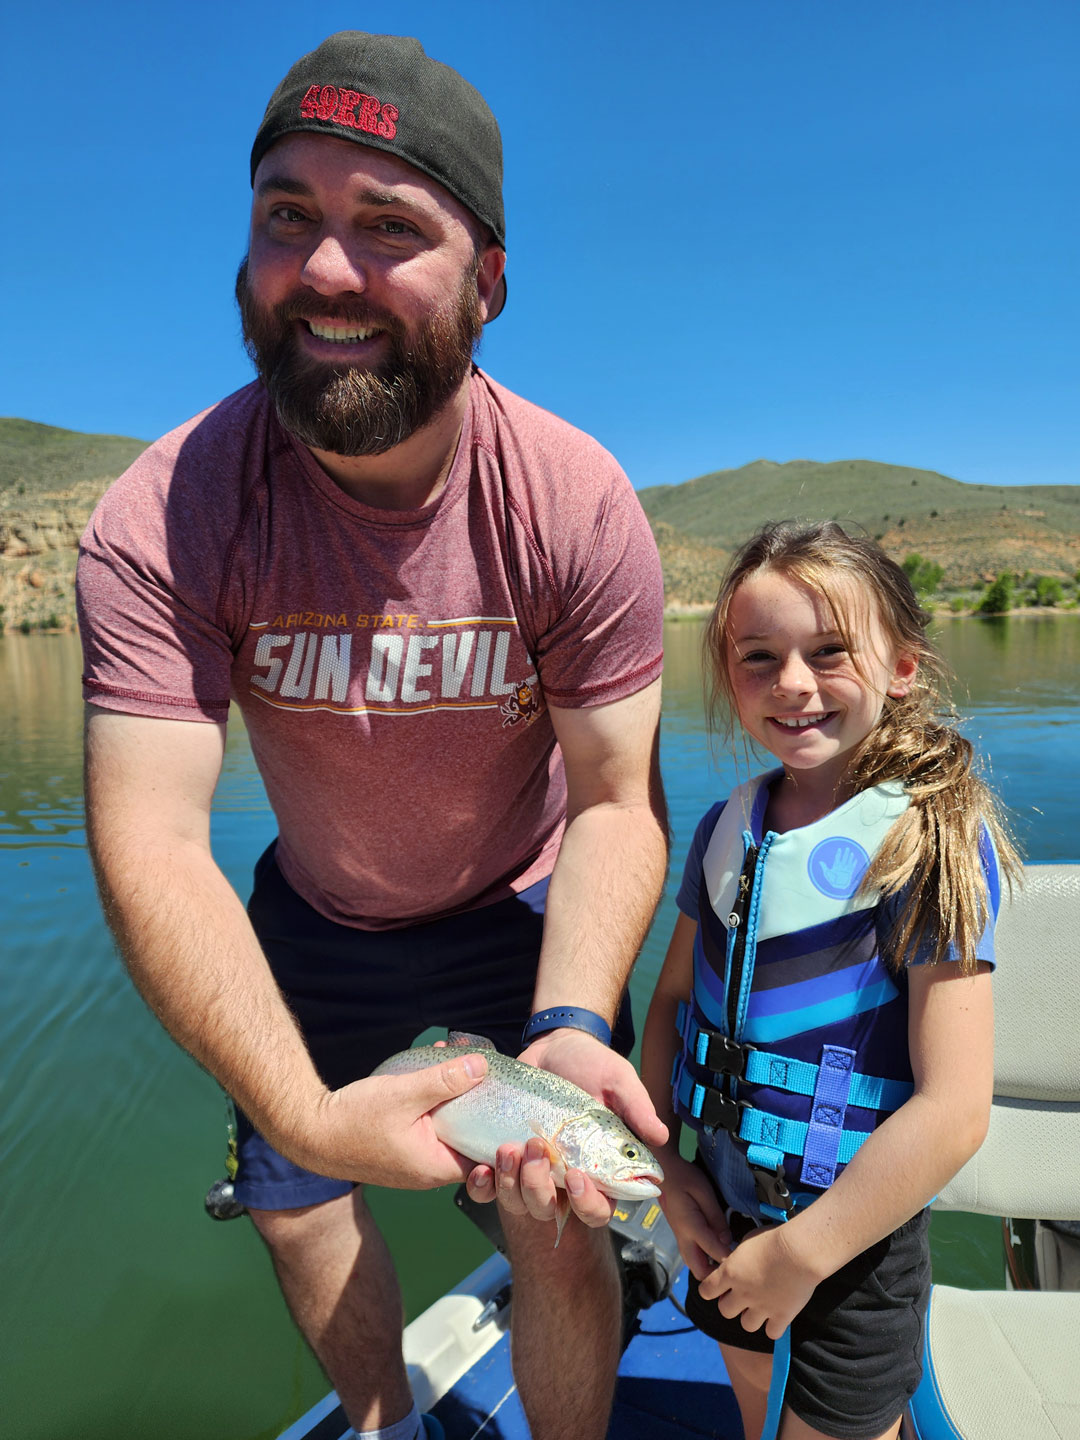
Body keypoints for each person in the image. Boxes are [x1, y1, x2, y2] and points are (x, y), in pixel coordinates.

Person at [77, 32, 668, 1440]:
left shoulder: (574, 503)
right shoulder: (164, 516)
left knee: (554, 1224)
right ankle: (382, 1415)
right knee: (295, 1212)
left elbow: (611, 801)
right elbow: (151, 837)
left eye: (389, 225)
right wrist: (300, 1108)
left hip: (520, 915)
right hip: (316, 923)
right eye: (290, 215)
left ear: (491, 285)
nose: (327, 269)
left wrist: (575, 1020)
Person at [641, 520, 1020, 1440]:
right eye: (759, 658)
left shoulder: (926, 844)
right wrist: (663, 1164)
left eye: (829, 652)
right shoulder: (727, 829)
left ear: (902, 666)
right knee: (749, 1409)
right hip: (721, 1214)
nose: (793, 684)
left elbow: (954, 1109)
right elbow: (666, 1007)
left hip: (855, 1246)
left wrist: (805, 1252)